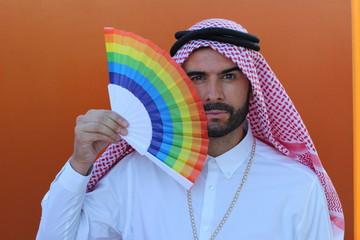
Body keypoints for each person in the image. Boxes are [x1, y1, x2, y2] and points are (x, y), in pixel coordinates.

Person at [36, 18, 344, 240]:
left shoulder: (296, 187)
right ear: (177, 87)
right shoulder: (133, 176)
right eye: (197, 78)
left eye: (229, 77)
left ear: (252, 85)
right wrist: (80, 164)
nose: (213, 94)